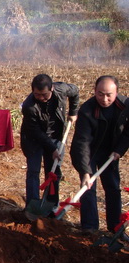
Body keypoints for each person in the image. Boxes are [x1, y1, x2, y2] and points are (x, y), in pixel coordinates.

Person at [70, 75, 129, 235]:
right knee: (88, 186)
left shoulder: (125, 106)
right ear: (94, 91)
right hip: (89, 151)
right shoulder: (87, 110)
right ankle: (89, 227)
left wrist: (120, 150)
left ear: (117, 92)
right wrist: (85, 171)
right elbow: (82, 142)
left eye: (109, 94)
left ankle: (115, 228)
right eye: (100, 94)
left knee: (113, 188)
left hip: (111, 151)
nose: (104, 99)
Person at [21, 74, 79, 211]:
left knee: (53, 171)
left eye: (44, 95)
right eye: (37, 94)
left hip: (55, 135)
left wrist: (73, 112)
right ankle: (32, 205)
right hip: (33, 139)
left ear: (52, 88)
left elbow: (75, 91)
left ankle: (51, 204)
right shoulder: (29, 106)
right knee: (33, 171)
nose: (41, 98)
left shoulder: (62, 90)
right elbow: (36, 132)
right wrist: (52, 148)